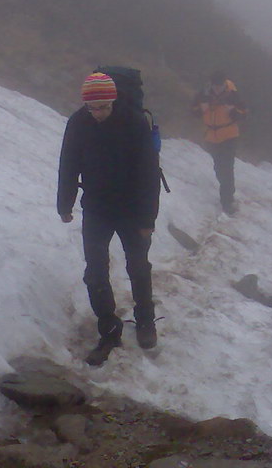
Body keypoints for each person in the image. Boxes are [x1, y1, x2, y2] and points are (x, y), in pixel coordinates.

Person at [57, 72, 162, 366]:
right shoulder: (79, 123)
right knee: (95, 270)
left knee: (138, 266)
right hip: (97, 207)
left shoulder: (134, 123)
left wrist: (147, 219)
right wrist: (65, 203)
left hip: (132, 209)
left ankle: (145, 321)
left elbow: (149, 175)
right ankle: (109, 327)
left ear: (114, 101)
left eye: (104, 107)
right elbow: (68, 164)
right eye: (93, 108)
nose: (99, 113)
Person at [191, 70, 247, 214]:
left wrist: (233, 112)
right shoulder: (204, 94)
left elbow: (244, 113)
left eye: (220, 86)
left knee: (226, 167)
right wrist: (200, 109)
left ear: (224, 84)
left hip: (229, 135)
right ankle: (228, 190)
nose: (217, 89)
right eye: (215, 86)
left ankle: (227, 201)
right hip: (211, 136)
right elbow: (193, 111)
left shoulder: (233, 95)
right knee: (219, 168)